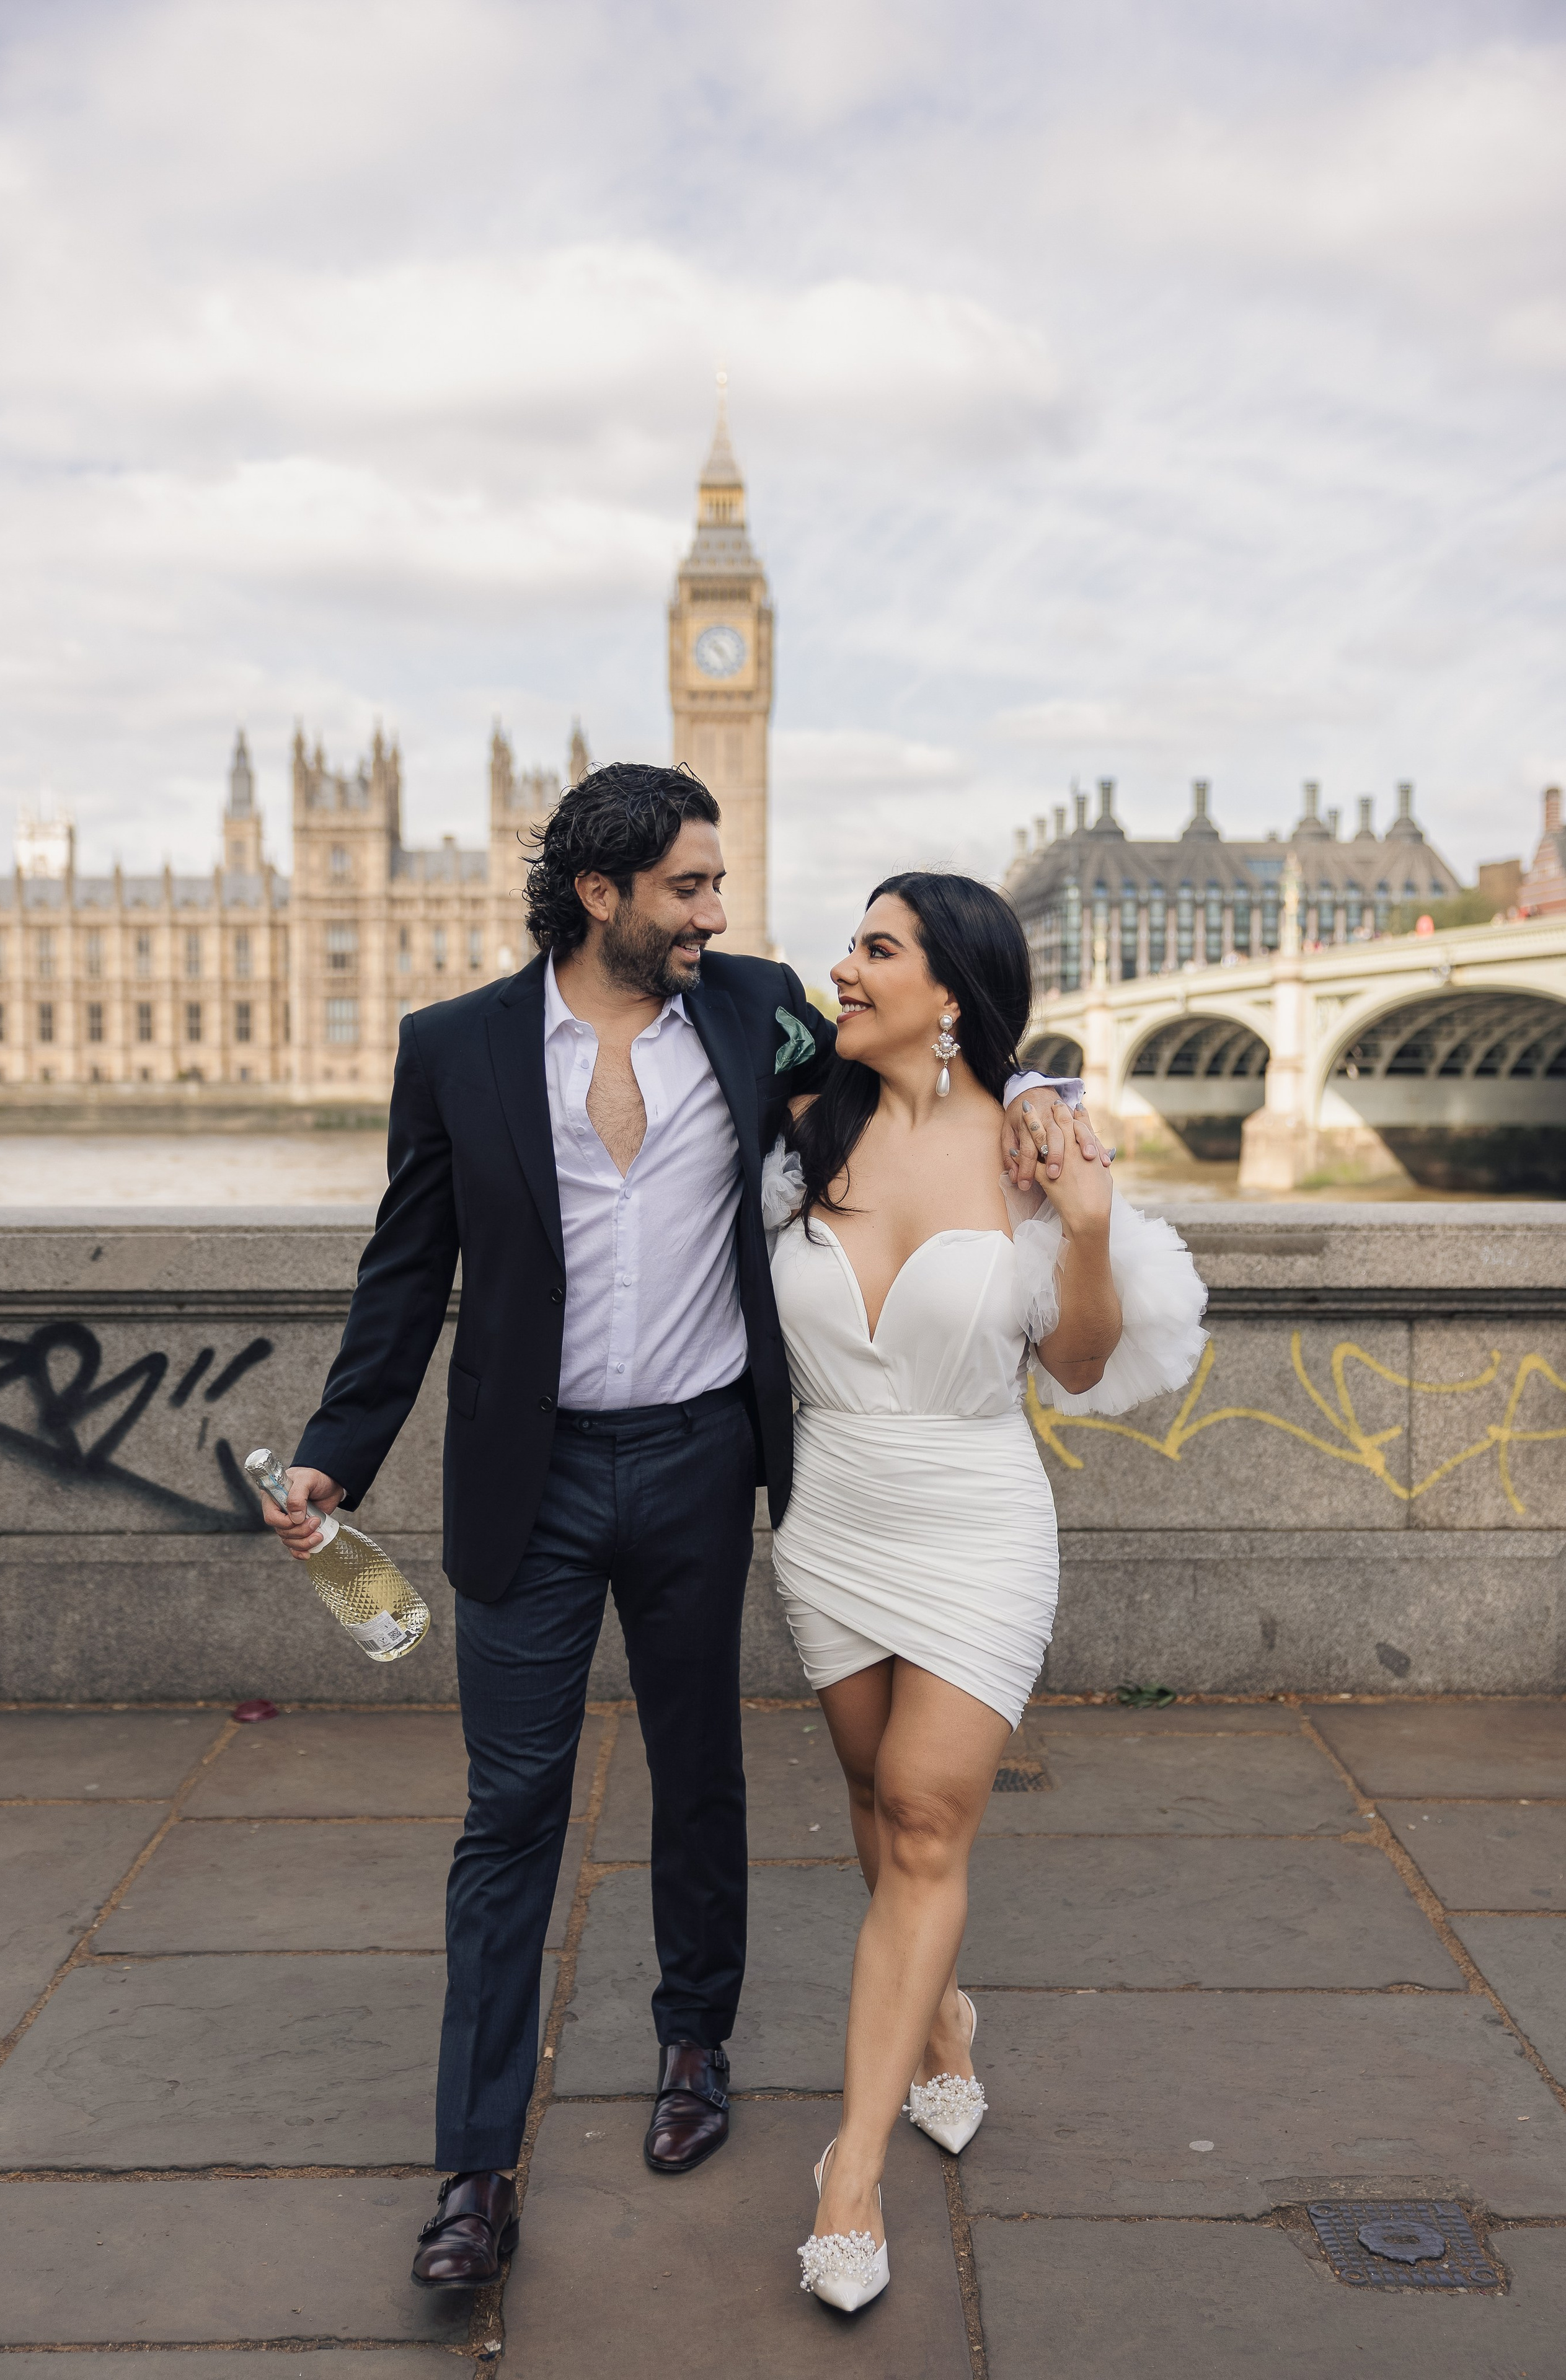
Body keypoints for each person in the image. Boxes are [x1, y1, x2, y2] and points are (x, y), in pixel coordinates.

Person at [255, 766, 1104, 2298]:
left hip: (703, 1456)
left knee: (699, 1768)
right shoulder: (453, 1048)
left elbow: (939, 1059)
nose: (720, 911)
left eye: (717, 885)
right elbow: (405, 1271)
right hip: (529, 1473)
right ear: (602, 895)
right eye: (690, 888)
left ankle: (693, 2045)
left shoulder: (753, 1010)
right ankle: (475, 2170)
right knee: (507, 1815)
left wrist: (1049, 1089)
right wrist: (334, 1458)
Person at [761, 871, 1206, 2312]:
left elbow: (1075, 1365)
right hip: (828, 1513)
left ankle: (848, 2177)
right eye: (848, 946)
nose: (841, 969)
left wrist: (1082, 1226)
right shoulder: (795, 1128)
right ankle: (939, 2014)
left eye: (874, 949)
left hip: (973, 1517)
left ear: (948, 989)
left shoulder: (1036, 1151)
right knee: (869, 1790)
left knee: (921, 1812)